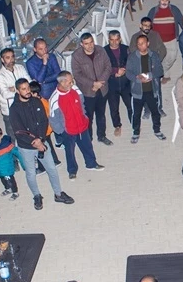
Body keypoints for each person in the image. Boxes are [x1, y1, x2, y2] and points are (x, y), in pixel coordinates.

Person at [10, 79, 72, 210]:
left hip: (42, 143)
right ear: (18, 91)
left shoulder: (36, 101)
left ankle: (58, 193)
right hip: (26, 147)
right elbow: (19, 130)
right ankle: (37, 196)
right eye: (23, 89)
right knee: (31, 173)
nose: (27, 91)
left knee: (52, 169)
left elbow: (44, 121)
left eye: (28, 88)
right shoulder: (14, 109)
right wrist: (35, 142)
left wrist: (41, 139)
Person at [49, 72, 106, 179]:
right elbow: (53, 119)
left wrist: (85, 117)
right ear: (62, 82)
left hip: (82, 126)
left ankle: (91, 163)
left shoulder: (75, 89)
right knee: (69, 152)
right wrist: (61, 131)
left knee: (88, 146)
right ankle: (72, 171)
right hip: (68, 131)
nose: (72, 83)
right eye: (70, 81)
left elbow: (82, 102)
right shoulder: (54, 98)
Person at [71, 32, 113, 145]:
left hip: (102, 89)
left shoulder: (101, 50)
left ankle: (102, 135)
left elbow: (108, 67)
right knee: (88, 117)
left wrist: (100, 83)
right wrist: (93, 84)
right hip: (88, 92)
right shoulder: (76, 56)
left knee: (101, 114)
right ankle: (89, 139)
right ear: (81, 44)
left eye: (91, 42)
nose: (90, 46)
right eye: (86, 44)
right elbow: (77, 75)